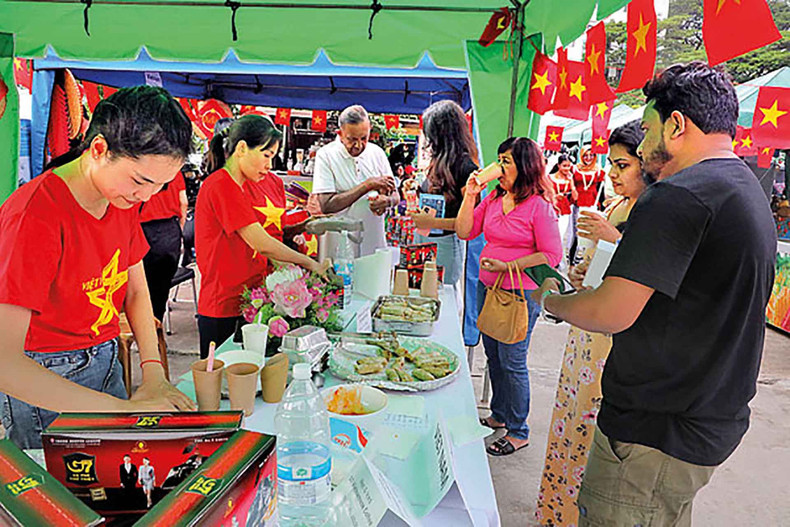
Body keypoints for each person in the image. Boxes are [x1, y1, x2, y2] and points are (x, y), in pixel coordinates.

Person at [532, 62, 776, 525]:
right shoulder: (743, 187)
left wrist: (552, 301)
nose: (642, 148)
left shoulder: (677, 195)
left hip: (654, 433)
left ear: (677, 124)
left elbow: (611, 311)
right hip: (703, 424)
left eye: (646, 131)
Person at [0, 86, 196, 450]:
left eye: (160, 186)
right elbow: (5, 364)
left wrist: (152, 371)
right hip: (44, 379)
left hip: (105, 361)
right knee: (61, 497)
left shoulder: (118, 199)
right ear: (99, 149)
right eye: (140, 181)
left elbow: (136, 289)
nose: (146, 197)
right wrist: (121, 412)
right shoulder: (34, 217)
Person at [535, 121, 649, 526]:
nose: (613, 173)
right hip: (585, 331)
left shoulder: (651, 209)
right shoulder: (618, 205)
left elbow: (648, 272)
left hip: (610, 337)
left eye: (623, 164)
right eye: (611, 164)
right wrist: (583, 274)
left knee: (588, 427)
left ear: (647, 161)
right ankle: (556, 511)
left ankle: (572, 514)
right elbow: (599, 271)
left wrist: (613, 239)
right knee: (569, 418)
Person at [456, 137, 562, 456]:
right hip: (489, 290)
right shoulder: (492, 199)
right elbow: (465, 231)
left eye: (507, 162)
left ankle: (519, 429)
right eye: (499, 159)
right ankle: (500, 415)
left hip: (520, 294)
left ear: (525, 167)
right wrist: (471, 195)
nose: (499, 168)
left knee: (513, 361)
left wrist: (508, 265)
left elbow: (552, 255)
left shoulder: (539, 207)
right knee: (494, 356)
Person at [195, 115, 328, 359]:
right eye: (266, 155)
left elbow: (267, 238)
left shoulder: (239, 185)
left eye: (273, 157)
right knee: (222, 385)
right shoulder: (221, 185)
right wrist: (310, 263)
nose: (269, 164)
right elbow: (262, 243)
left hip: (248, 299)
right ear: (242, 148)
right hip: (223, 305)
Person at [408, 100, 479, 290]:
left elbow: (470, 223)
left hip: (445, 244)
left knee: (441, 296)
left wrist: (432, 223)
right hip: (424, 239)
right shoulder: (439, 161)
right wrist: (414, 190)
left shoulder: (466, 168)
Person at [312, 105, 398, 257]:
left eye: (364, 138)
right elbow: (327, 205)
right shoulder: (326, 155)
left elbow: (396, 195)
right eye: (352, 139)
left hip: (373, 244)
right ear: (340, 133)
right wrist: (367, 185)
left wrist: (387, 201)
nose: (358, 145)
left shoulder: (377, 153)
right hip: (339, 247)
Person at [139, 165, 188, 322]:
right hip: (169, 230)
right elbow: (184, 202)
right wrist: (178, 228)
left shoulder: (141, 168)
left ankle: (141, 330)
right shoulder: (174, 170)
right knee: (161, 288)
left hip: (142, 229)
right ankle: (157, 326)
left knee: (140, 286)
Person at [568, 147, 605, 264]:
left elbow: (601, 189)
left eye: (591, 155)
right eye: (585, 155)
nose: (588, 158)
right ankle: (573, 257)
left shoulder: (599, 171)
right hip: (577, 204)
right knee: (575, 231)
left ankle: (584, 257)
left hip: (592, 204)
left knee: (588, 231)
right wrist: (573, 189)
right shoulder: (575, 169)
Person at [548, 155, 578, 271]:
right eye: (564, 166)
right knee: (551, 236)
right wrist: (556, 196)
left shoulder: (569, 179)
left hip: (565, 210)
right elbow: (546, 195)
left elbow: (575, 197)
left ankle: (557, 261)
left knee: (560, 237)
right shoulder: (550, 178)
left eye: (569, 166)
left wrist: (571, 183)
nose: (567, 169)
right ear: (559, 166)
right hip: (552, 210)